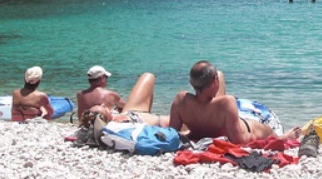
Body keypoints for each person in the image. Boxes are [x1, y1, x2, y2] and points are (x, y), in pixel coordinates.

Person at [169, 60, 299, 144]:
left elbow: (171, 133)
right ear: (215, 82)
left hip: (201, 132)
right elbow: (238, 141)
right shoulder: (226, 102)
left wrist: (191, 135)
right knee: (267, 130)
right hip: (246, 127)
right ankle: (284, 138)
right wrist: (251, 136)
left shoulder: (181, 100)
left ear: (191, 83)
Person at [81, 72, 170, 127]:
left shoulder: (80, 94)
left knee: (148, 76)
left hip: (131, 113)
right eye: (102, 107)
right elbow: (123, 105)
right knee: (148, 76)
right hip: (140, 117)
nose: (103, 104)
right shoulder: (110, 94)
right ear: (101, 79)